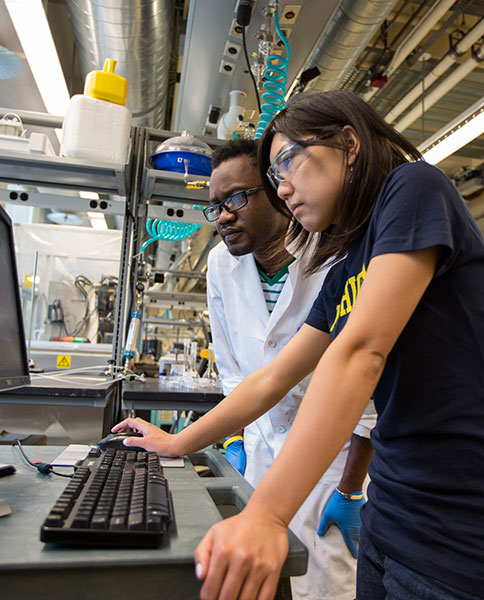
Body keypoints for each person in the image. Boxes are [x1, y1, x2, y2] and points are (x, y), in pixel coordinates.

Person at [113, 89, 484, 600]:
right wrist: (180, 441)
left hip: (456, 526)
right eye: (275, 176)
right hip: (394, 513)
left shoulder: (415, 187)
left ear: (349, 144)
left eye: (287, 162)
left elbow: (361, 352)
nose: (283, 188)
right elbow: (272, 376)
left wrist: (266, 513)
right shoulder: (349, 264)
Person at [205, 138, 375, 599]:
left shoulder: (337, 251)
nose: (223, 215)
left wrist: (349, 487)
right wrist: (236, 441)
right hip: (258, 459)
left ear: (277, 189)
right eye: (215, 205)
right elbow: (233, 371)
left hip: (333, 467)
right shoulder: (221, 265)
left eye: (235, 198)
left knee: (326, 589)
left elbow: (368, 384)